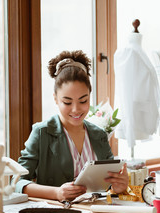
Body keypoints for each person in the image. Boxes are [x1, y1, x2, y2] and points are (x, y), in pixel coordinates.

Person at [14, 50, 128, 201]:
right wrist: (56, 193)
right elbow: (16, 182)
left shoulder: (98, 135)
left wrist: (118, 187)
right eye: (67, 102)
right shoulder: (42, 133)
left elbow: (107, 185)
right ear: (55, 99)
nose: (76, 109)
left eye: (83, 101)